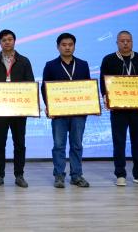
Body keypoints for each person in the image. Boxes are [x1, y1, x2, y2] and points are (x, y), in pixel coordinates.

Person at [100, 30, 138, 187]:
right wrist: (106, 97)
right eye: (122, 40)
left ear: (132, 42)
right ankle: (120, 174)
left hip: (137, 108)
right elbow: (103, 82)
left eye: (128, 40)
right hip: (118, 110)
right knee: (119, 142)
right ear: (117, 42)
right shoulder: (109, 59)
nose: (125, 43)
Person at [0, 29, 35, 188]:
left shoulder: (24, 61)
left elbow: (30, 84)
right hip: (0, 110)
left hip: (19, 109)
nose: (7, 42)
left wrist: (30, 106)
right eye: (4, 40)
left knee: (19, 143)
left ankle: (19, 175)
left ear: (14, 41)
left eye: (10, 39)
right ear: (0, 43)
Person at [42, 32, 92, 189]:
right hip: (59, 113)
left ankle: (76, 175)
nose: (67, 47)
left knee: (77, 144)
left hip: (79, 112)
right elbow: (45, 88)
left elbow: (88, 87)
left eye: (70, 45)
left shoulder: (83, 64)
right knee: (59, 145)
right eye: (64, 45)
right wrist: (49, 106)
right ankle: (59, 176)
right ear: (58, 47)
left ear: (74, 46)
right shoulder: (50, 65)